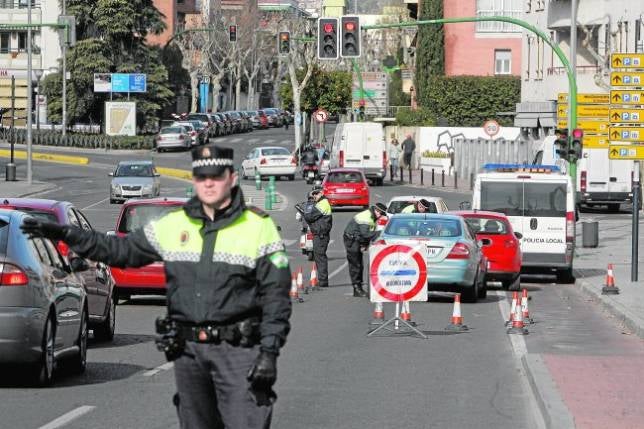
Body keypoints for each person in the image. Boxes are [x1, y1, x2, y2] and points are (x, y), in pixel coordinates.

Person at [21, 145, 292, 429]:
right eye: (202, 177)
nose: (209, 183)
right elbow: (120, 250)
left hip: (238, 351)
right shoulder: (175, 224)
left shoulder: (257, 226)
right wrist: (67, 234)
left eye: (216, 176)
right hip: (189, 352)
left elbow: (276, 297)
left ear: (232, 178)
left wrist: (269, 352)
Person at [343, 203, 388, 297]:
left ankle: (359, 287)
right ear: (377, 211)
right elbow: (366, 234)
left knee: (359, 264)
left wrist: (365, 244)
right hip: (352, 240)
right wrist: (381, 233)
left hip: (357, 239)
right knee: (355, 264)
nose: (380, 216)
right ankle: (357, 288)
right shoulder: (366, 217)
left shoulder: (372, 217)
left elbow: (366, 234)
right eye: (380, 214)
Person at [300, 187, 332, 287]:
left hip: (321, 235)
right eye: (313, 194)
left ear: (321, 193)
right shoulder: (320, 203)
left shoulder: (323, 204)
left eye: (316, 194)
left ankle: (323, 281)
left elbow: (310, 216)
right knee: (318, 257)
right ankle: (322, 280)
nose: (314, 196)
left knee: (320, 257)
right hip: (319, 234)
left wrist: (303, 211)